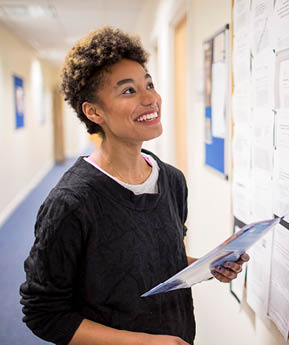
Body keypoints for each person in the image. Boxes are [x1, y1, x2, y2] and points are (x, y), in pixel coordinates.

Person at [20, 26, 249, 345]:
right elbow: (43, 313)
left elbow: (158, 261)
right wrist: (147, 342)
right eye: (129, 91)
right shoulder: (71, 203)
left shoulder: (171, 179)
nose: (150, 99)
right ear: (94, 111)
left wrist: (209, 266)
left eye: (149, 84)